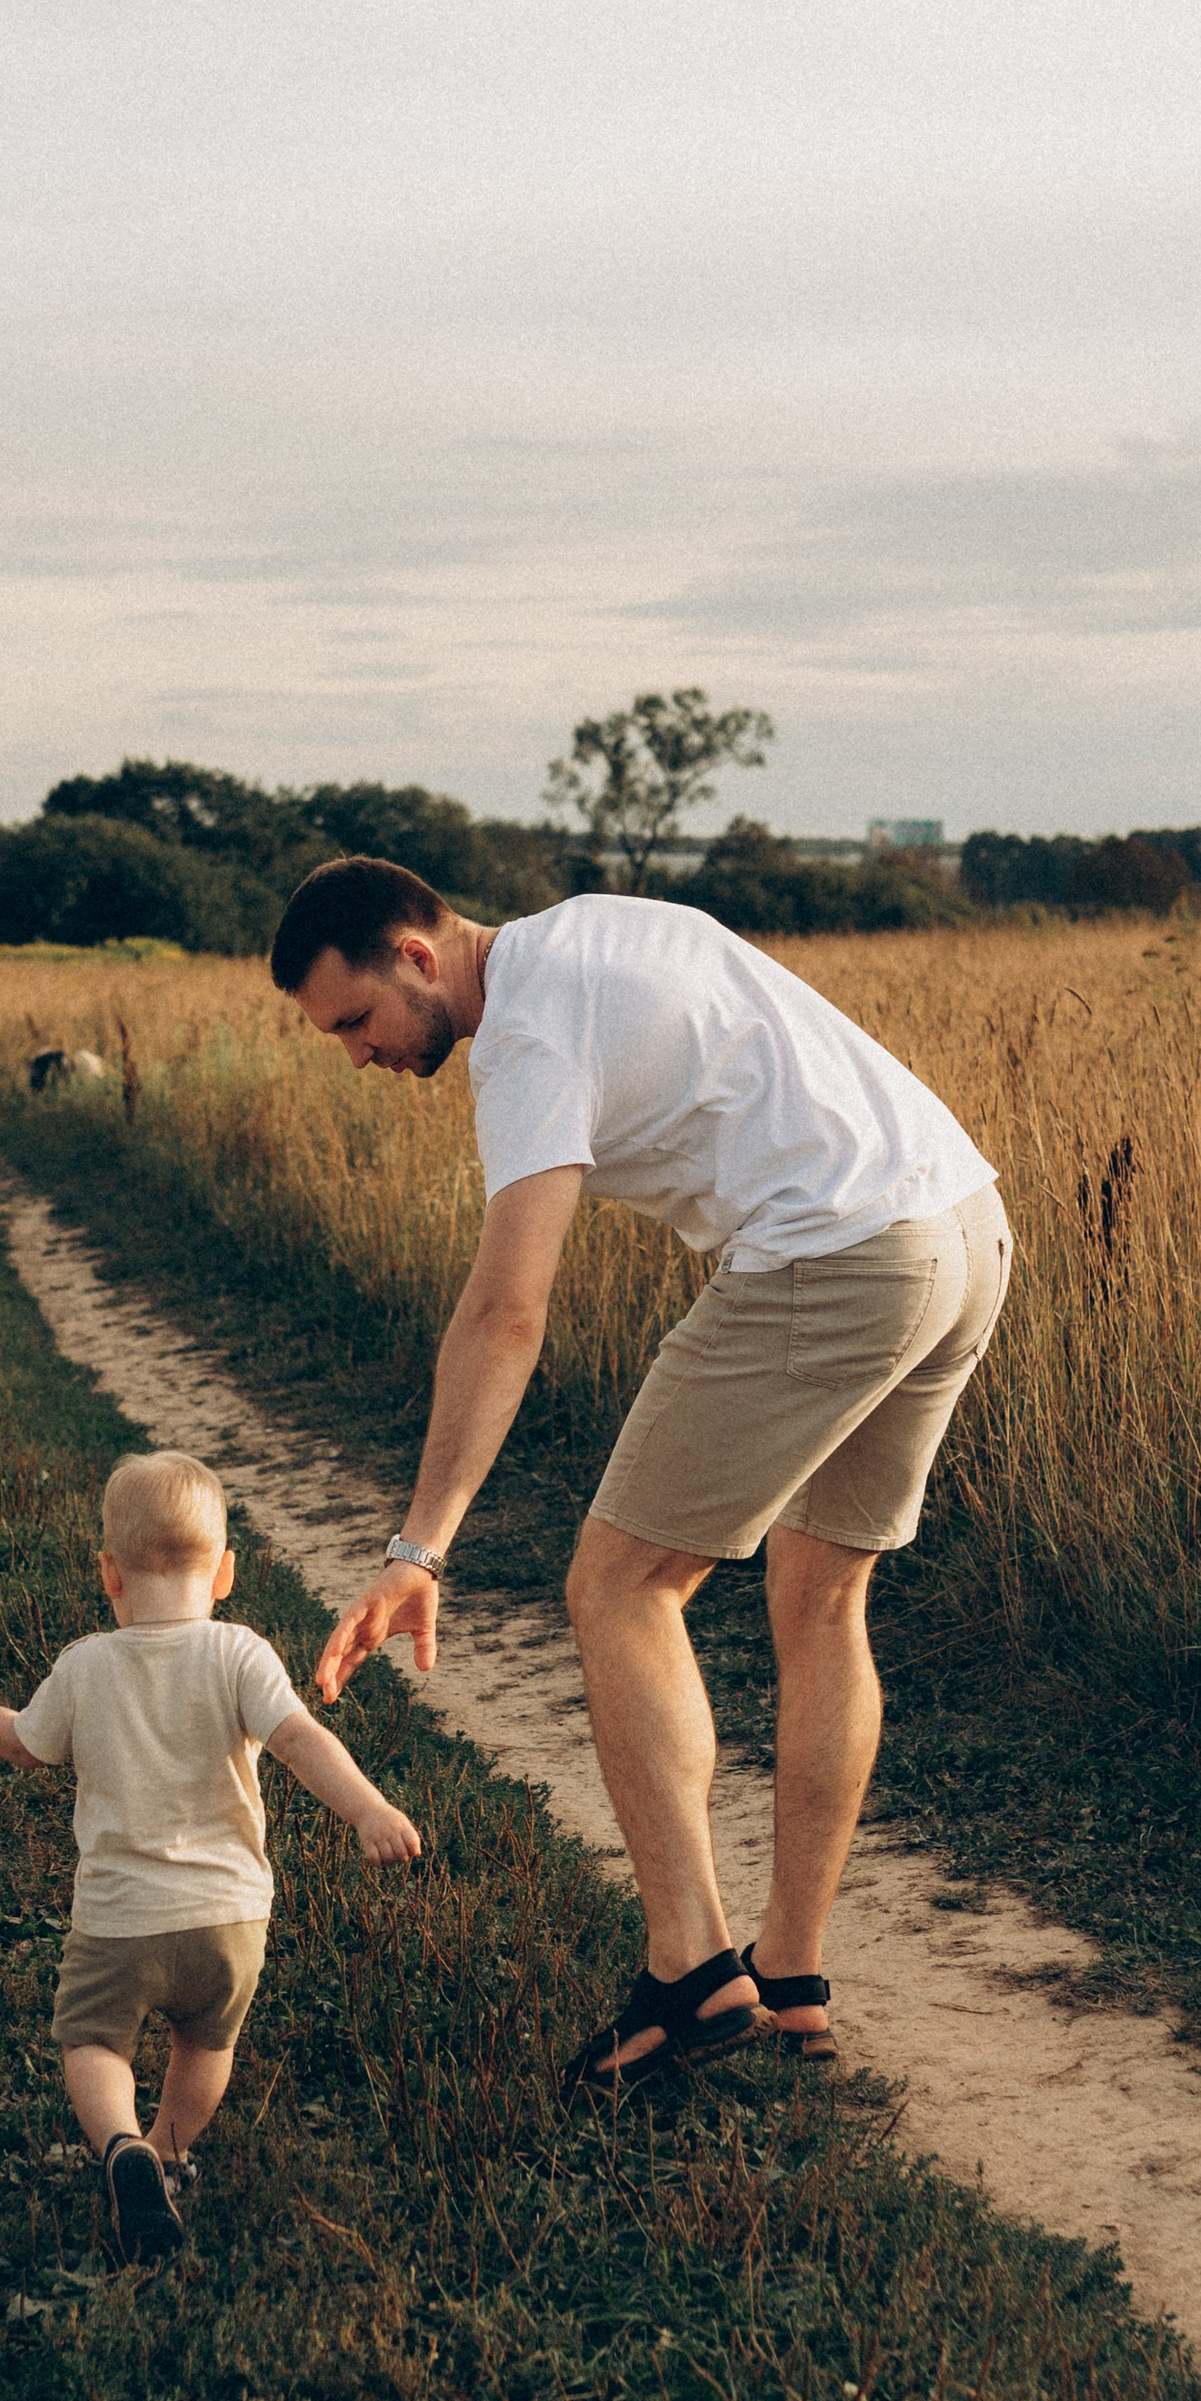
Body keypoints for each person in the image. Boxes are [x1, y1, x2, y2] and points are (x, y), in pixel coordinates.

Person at [277, 856, 1009, 2099]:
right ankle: (790, 1979)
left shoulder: (523, 1036)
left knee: (620, 1586)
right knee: (822, 1597)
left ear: (417, 955)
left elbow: (506, 1311)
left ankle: (691, 1973)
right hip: (964, 1231)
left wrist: (418, 1547)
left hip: (835, 1253)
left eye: (356, 1019)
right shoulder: (599, 926)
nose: (359, 1054)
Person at [0, 1449, 420, 2262]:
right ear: (226, 1572)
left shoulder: (86, 1664)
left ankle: (122, 2147)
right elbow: (300, 1740)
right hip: (228, 1919)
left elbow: (22, 1743)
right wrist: (369, 1808)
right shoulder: (241, 1653)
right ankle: (168, 2153)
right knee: (205, 2045)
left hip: (119, 1921)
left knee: (94, 2044)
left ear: (109, 1573)